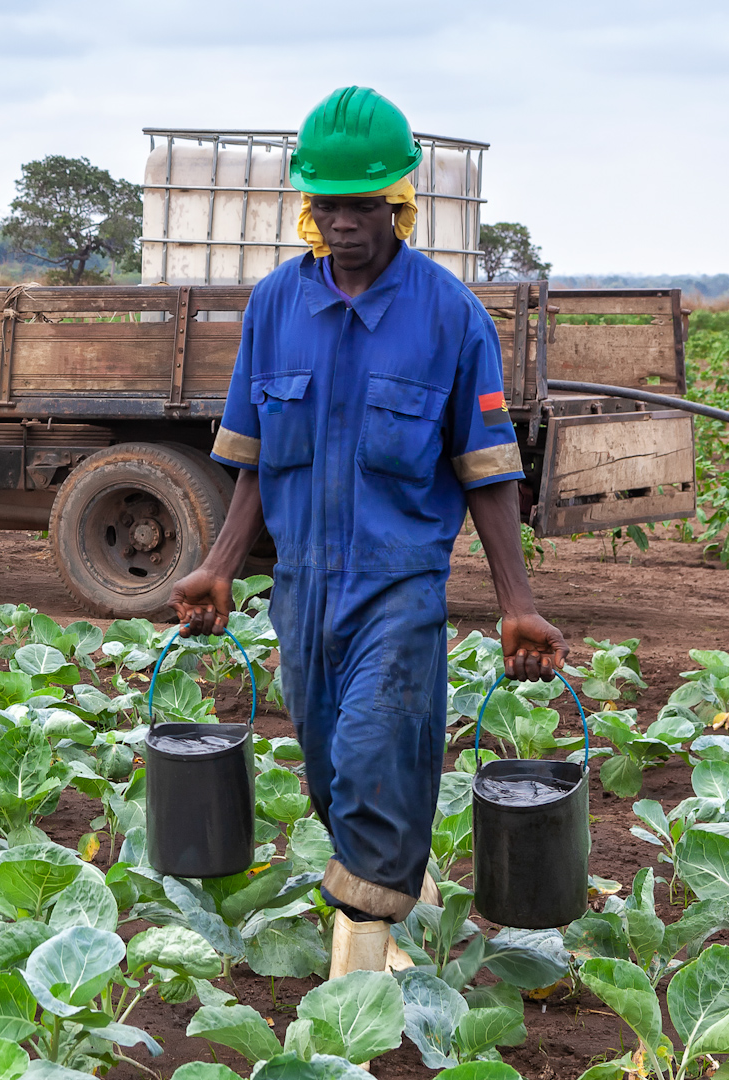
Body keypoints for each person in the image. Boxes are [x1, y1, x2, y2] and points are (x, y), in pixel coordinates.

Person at [168, 86, 569, 978]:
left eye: (361, 205)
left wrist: (517, 606)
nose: (342, 222)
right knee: (325, 767)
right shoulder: (275, 306)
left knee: (374, 748)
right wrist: (219, 568)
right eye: (326, 204)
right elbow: (255, 458)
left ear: (399, 205)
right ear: (307, 206)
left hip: (400, 582)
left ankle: (361, 956)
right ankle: (402, 886)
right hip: (302, 585)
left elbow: (489, 475)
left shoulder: (449, 316)